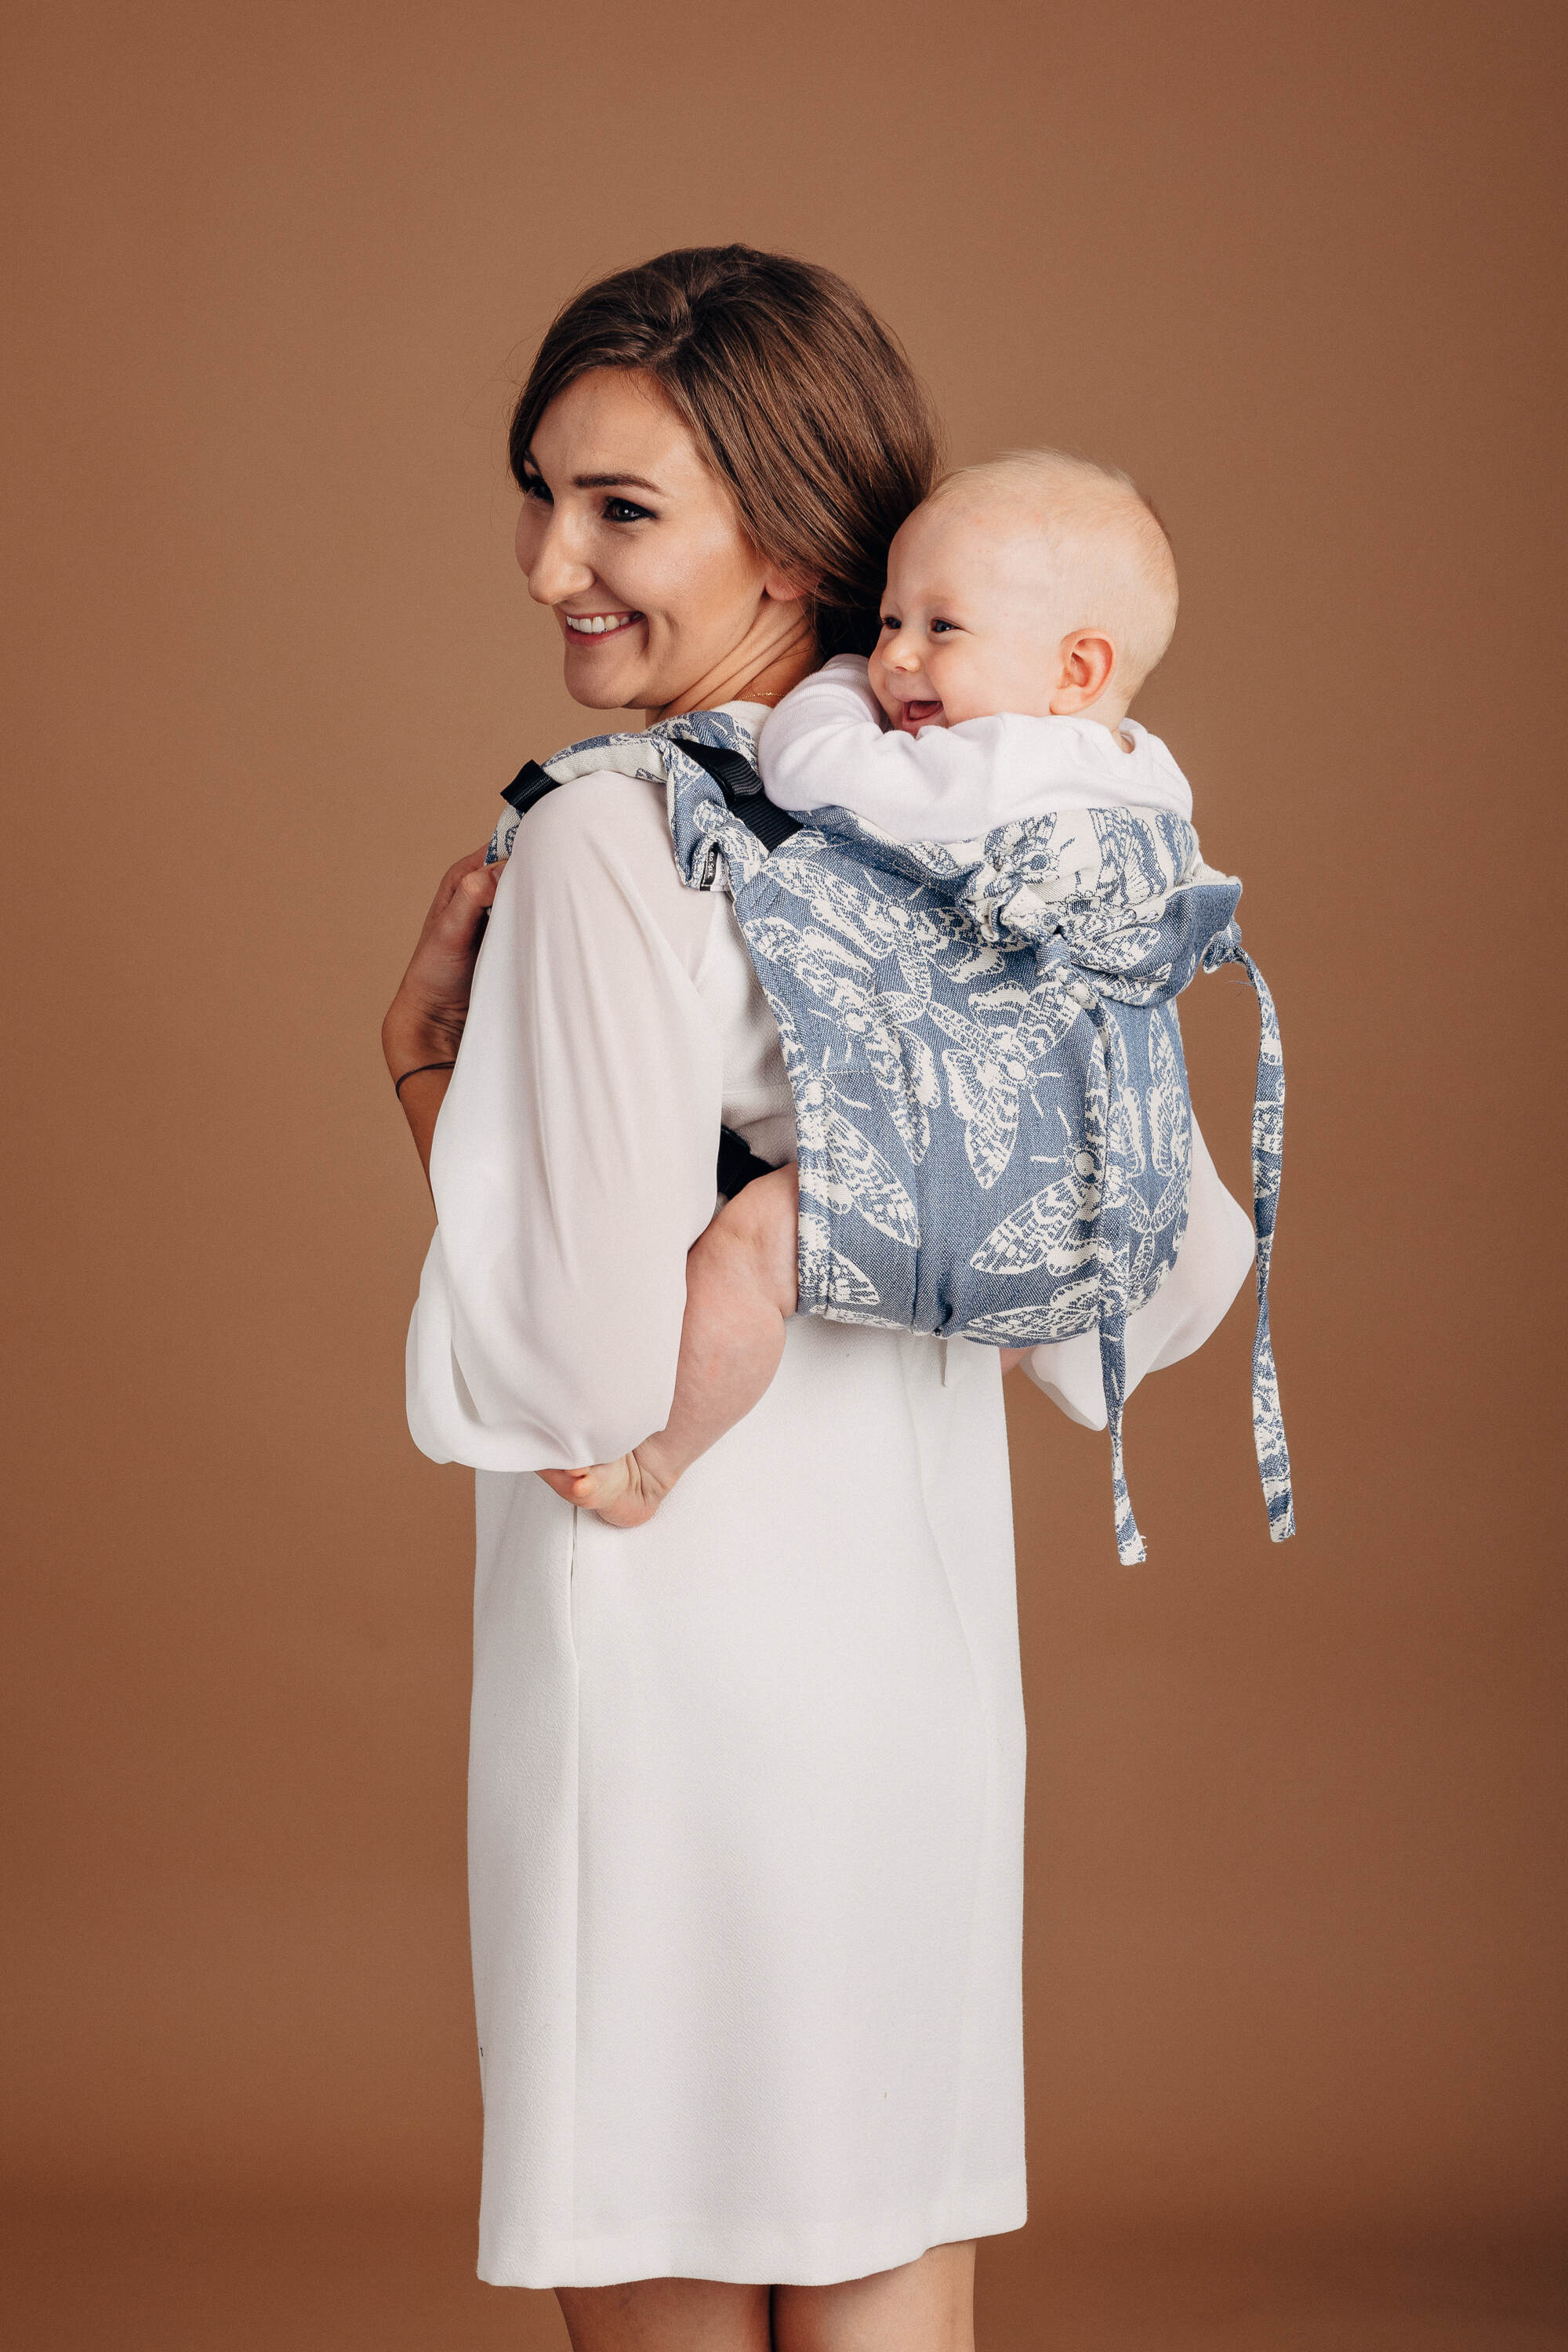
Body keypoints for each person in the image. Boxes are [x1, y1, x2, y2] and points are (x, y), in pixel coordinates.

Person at [386, 246, 1252, 2352]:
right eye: (541, 495)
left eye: (618, 509)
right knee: (893, 2261)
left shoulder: (611, 840)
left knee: (668, 2255)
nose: (550, 565)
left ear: (783, 532)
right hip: (918, 1674)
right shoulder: (1012, 826)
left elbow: (580, 1378)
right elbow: (1156, 1296)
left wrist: (420, 1074)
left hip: (665, 1683)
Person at [545, 448, 1255, 1538]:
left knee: (751, 1251)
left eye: (941, 627)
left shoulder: (983, 773)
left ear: (1075, 669)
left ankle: (656, 1463)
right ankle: (1027, 1344)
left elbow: (808, 763)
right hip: (1108, 1187)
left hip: (949, 1160)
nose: (895, 659)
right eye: (884, 624)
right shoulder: (1145, 779)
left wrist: (829, 677)